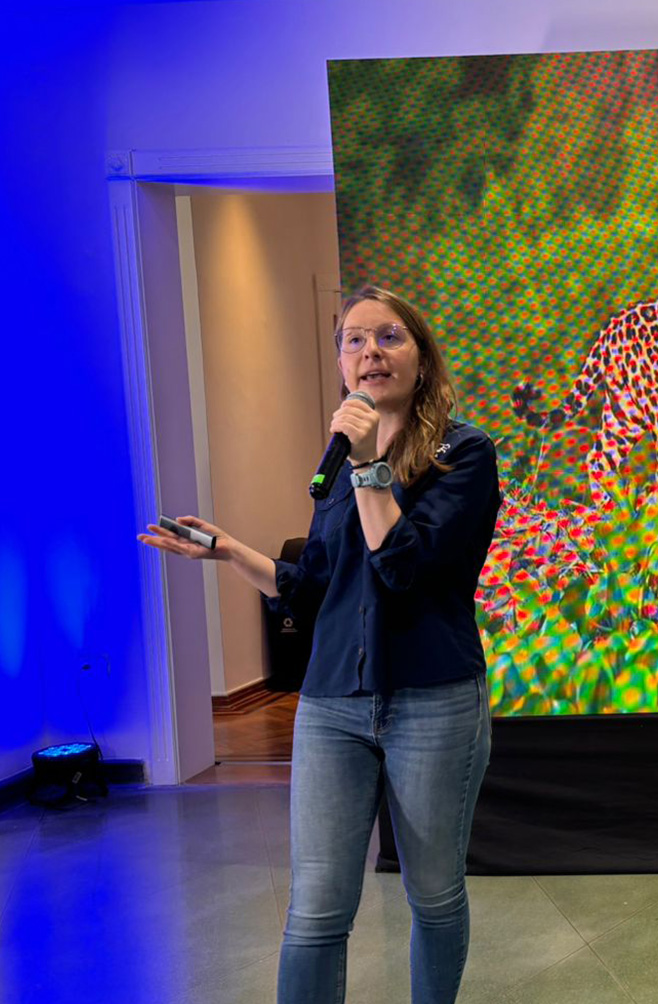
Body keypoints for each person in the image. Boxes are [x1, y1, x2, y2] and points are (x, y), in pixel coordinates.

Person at [139, 285, 501, 1004]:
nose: (371, 352)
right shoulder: (337, 465)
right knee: (315, 912)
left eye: (390, 336)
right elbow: (310, 588)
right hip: (332, 706)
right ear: (340, 364)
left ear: (422, 359)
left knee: (433, 895)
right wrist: (228, 551)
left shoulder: (464, 454)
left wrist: (368, 466)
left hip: (432, 701)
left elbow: (403, 568)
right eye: (354, 340)